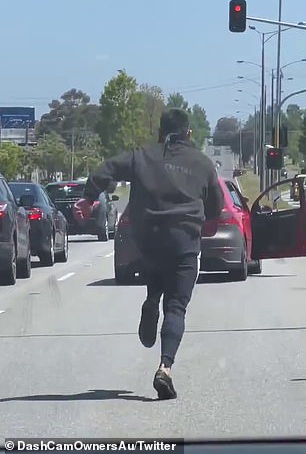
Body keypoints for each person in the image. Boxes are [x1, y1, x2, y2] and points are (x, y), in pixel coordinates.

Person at [73, 108, 224, 400]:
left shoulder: (141, 156)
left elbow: (105, 169)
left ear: (160, 131)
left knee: (157, 269)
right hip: (183, 243)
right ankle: (165, 368)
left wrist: (90, 198)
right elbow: (216, 207)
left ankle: (151, 300)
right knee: (177, 307)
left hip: (149, 241)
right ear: (188, 133)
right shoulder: (203, 164)